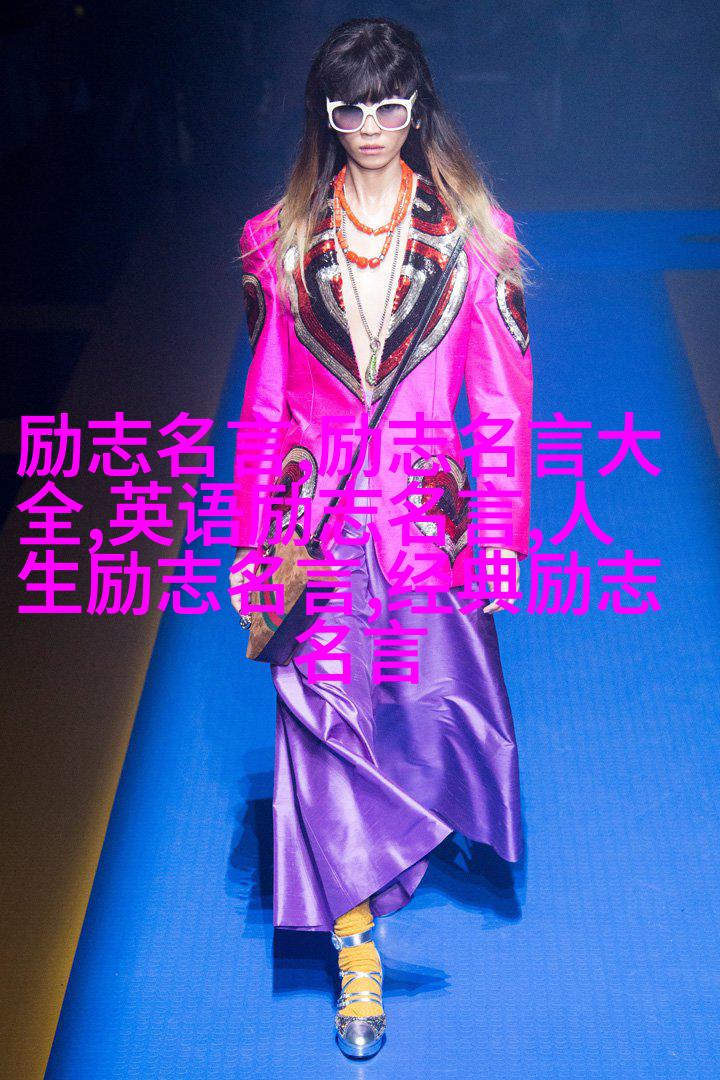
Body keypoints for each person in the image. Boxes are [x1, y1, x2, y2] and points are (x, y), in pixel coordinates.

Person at [228, 17, 533, 1060]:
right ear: (324, 113)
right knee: (317, 725)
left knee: (426, 708)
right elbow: (264, 405)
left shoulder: (475, 237)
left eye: (388, 105)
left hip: (424, 526)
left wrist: (500, 538)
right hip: (311, 528)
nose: (368, 125)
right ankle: (355, 951)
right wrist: (250, 542)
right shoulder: (277, 240)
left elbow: (501, 406)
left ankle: (414, 829)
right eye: (348, 106)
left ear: (417, 109)